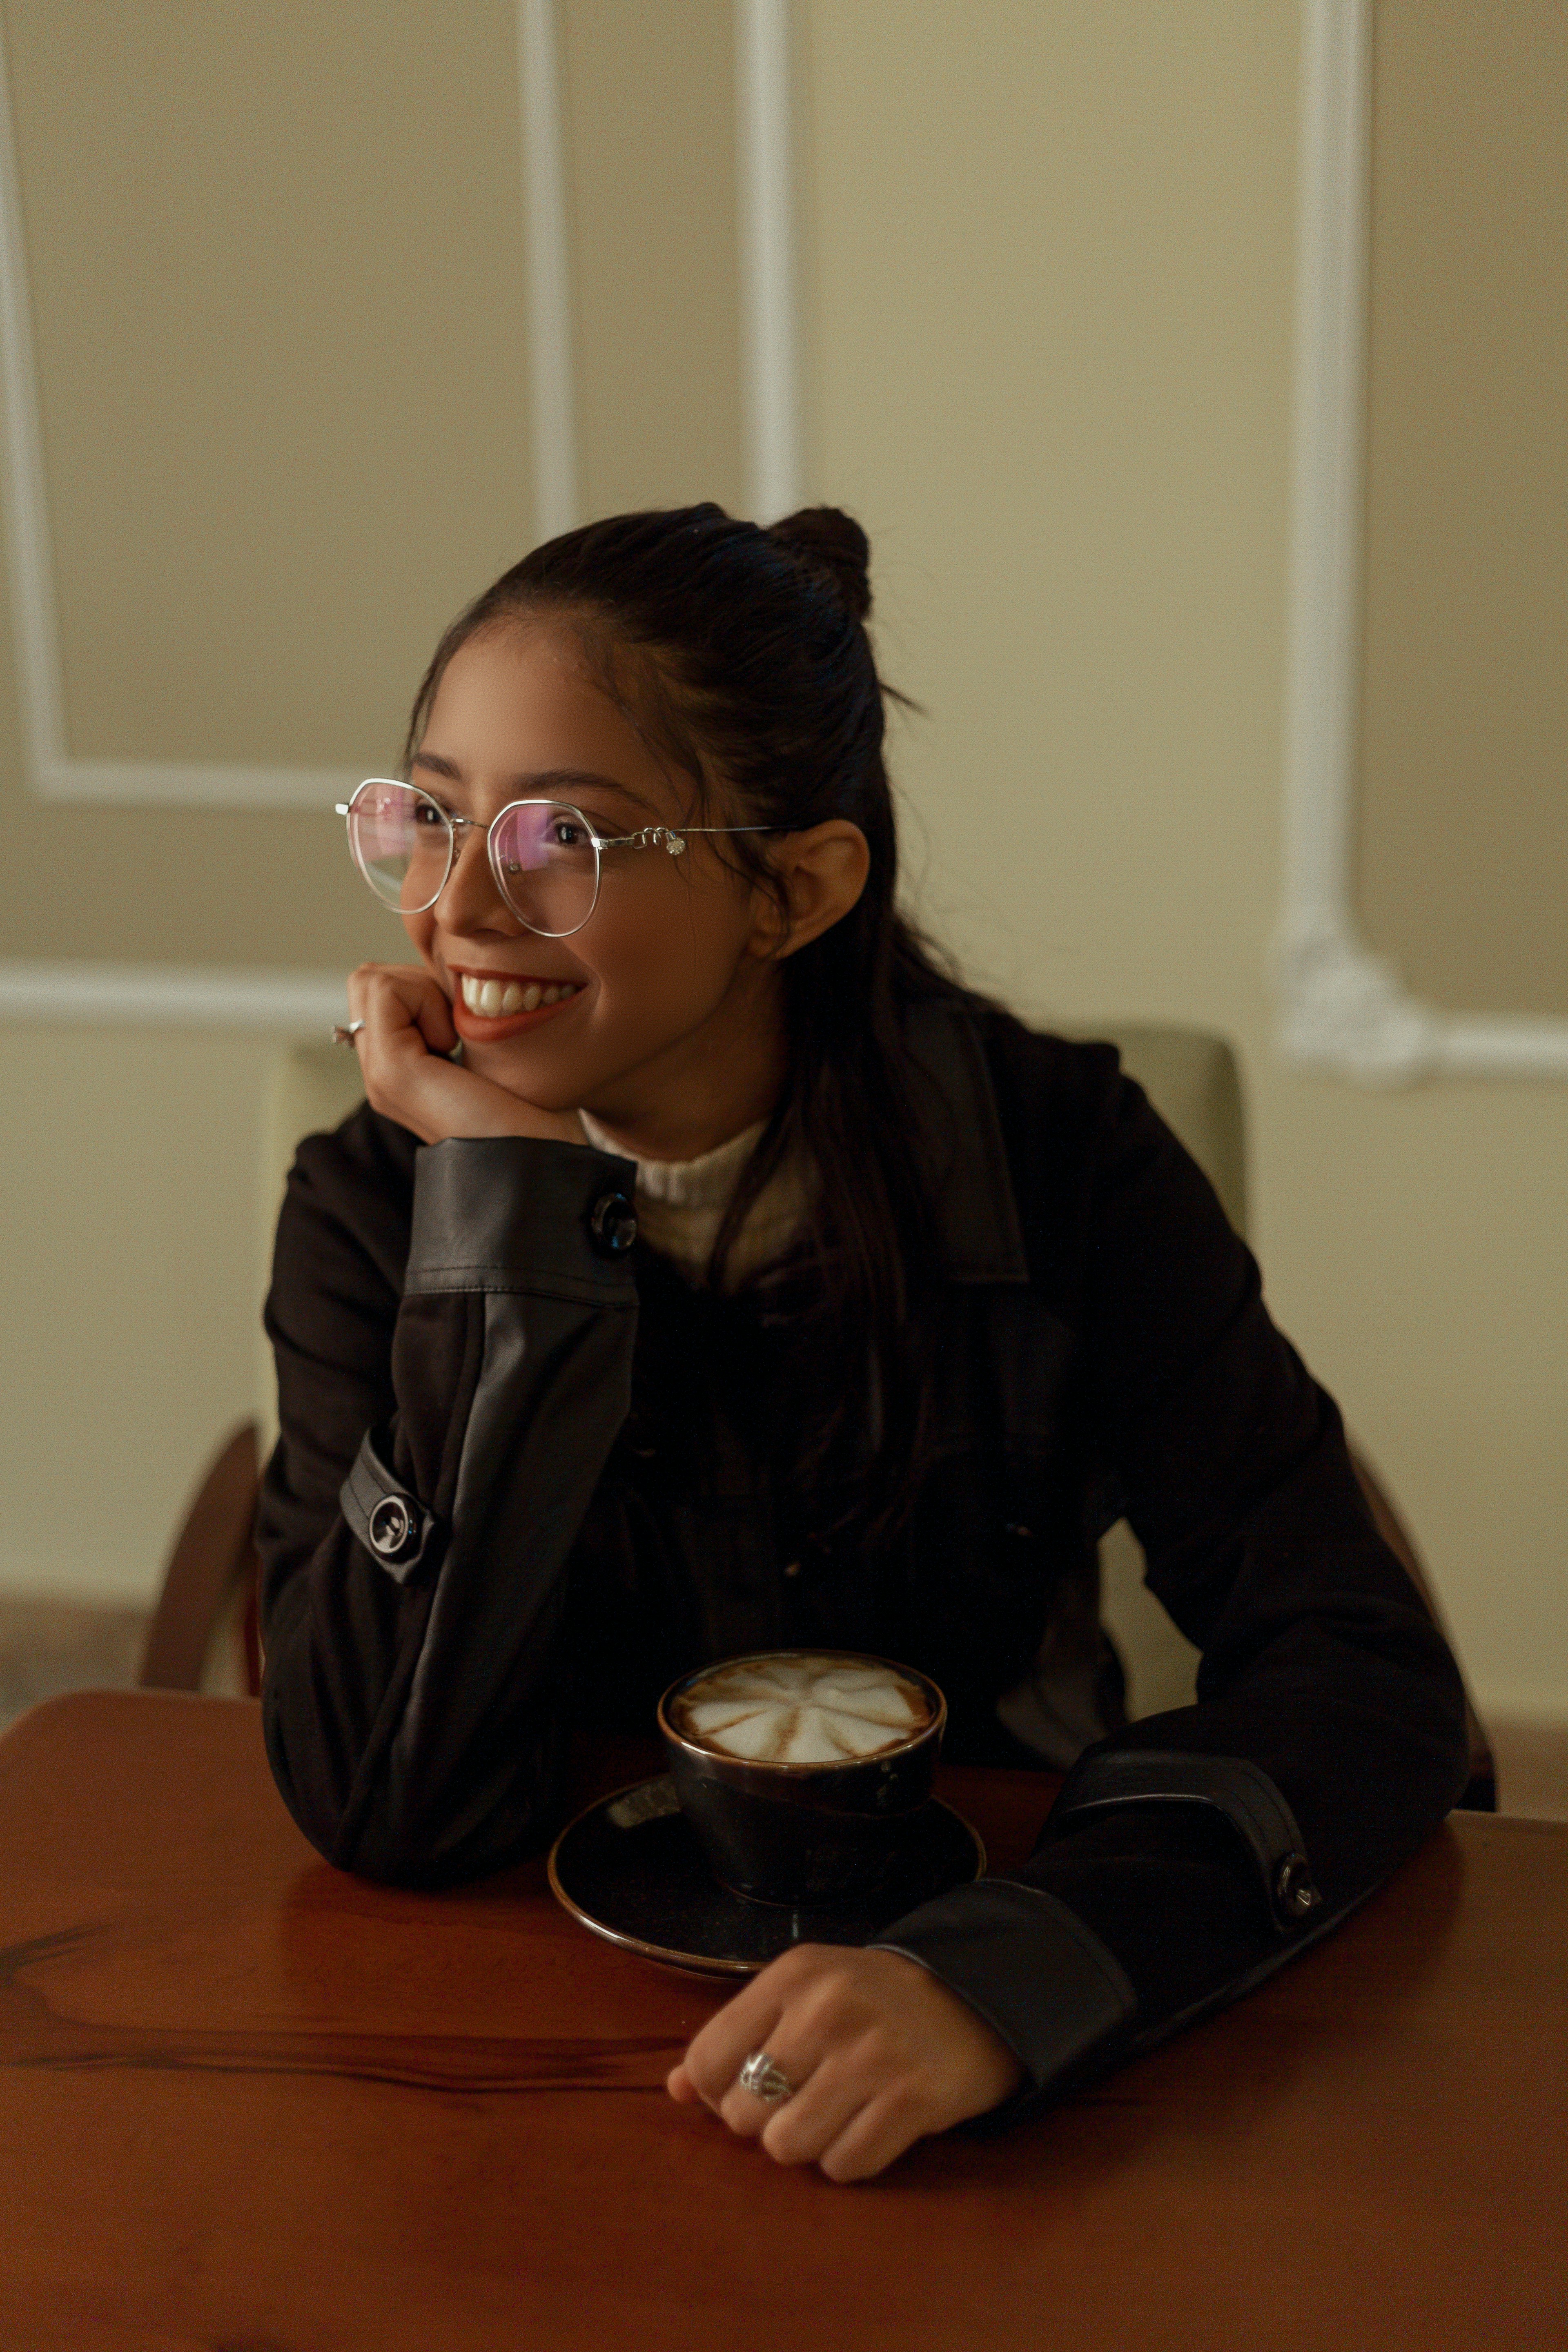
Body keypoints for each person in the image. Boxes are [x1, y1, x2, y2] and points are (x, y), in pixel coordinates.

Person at [258, 503, 1470, 2184]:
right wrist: (513, 1233)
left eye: (561, 842)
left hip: (993, 2025)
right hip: (529, 2046)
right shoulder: (379, 1208)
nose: (454, 907)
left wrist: (1012, 1975)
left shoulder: (1065, 1157)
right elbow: (385, 1803)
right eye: (430, 818)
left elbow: (1369, 1682)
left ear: (798, 888)